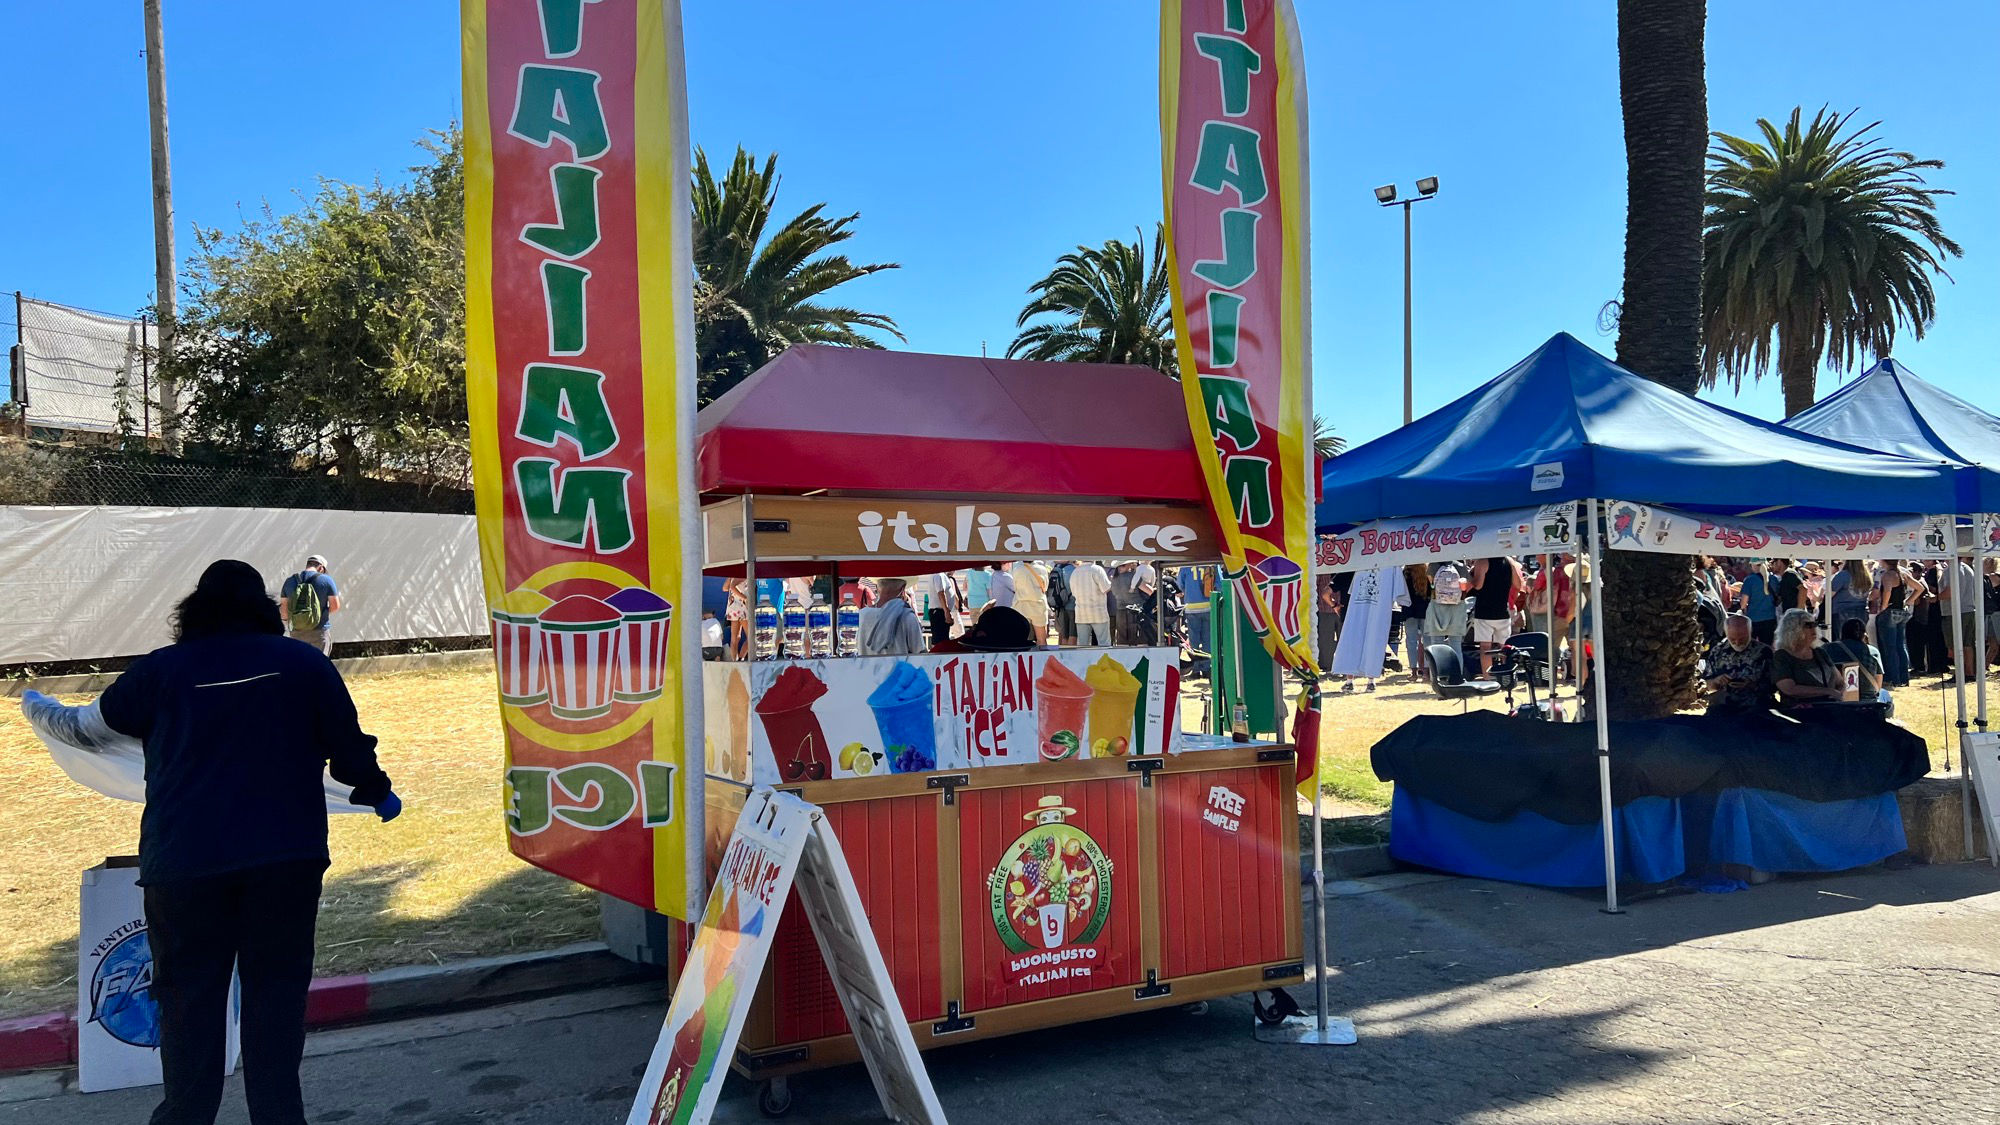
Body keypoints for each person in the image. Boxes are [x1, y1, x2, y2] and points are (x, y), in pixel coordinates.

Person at [94, 560, 399, 1125]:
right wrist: (376, 790)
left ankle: (186, 1116)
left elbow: (107, 718)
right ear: (264, 607)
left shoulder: (162, 670)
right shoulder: (303, 663)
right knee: (276, 999)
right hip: (285, 858)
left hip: (184, 863)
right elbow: (351, 749)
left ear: (193, 612)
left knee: (188, 1003)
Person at [1703, 613, 1775, 714]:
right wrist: (1716, 681)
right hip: (1723, 705)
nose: (1737, 643)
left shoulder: (1764, 652)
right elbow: (1705, 684)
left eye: (1742, 639)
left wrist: (1752, 685)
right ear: (1726, 634)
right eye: (1732, 639)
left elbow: (1774, 686)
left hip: (1755, 707)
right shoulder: (1718, 651)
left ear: (1750, 632)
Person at [1772, 608, 1844, 707]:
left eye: (1814, 624)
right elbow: (1789, 688)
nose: (1814, 629)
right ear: (1793, 629)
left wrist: (1837, 693)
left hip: (1829, 710)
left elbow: (1839, 681)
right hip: (1800, 713)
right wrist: (1828, 691)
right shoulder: (1782, 656)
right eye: (1808, 625)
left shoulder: (1820, 652)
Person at [1468, 555, 1521, 675]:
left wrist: (1470, 579)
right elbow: (1518, 584)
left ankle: (1488, 677)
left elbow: (1478, 585)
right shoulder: (1509, 561)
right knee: (1506, 647)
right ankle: (1507, 675)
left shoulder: (1482, 561)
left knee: (1485, 648)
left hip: (1484, 611)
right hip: (1503, 610)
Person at [1871, 559, 1920, 688]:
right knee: (1901, 646)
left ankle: (1893, 678)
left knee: (1889, 647)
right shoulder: (1903, 573)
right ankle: (1903, 678)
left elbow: (1887, 591)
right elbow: (1920, 588)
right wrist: (1908, 601)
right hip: (1901, 612)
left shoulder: (1888, 575)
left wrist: (1883, 606)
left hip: (1890, 612)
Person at [278, 555, 340, 655]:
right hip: (320, 632)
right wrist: (318, 615)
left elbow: (284, 611)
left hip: (297, 632)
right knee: (320, 666)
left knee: (300, 665)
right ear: (321, 568)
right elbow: (335, 606)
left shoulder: (290, 581)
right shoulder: (327, 580)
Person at [1423, 561, 1470, 679]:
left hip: (1437, 607)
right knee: (1456, 646)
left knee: (1436, 645)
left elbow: (1431, 584)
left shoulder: (1433, 566)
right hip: (1457, 608)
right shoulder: (1460, 566)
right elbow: (1467, 587)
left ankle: (1437, 679)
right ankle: (1457, 678)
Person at [1938, 554, 1981, 675]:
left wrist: (1935, 598)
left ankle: (1961, 674)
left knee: (1955, 646)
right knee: (1967, 644)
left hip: (1954, 612)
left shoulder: (1950, 570)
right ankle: (1969, 673)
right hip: (1969, 610)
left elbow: (1949, 592)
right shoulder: (1967, 568)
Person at [1828, 616, 1886, 703]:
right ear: (1864, 634)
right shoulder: (1873, 651)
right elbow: (1878, 684)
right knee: (1885, 694)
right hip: (1867, 699)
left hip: (1836, 697)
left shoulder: (1828, 648)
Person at [859, 578, 923, 656]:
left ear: (877, 587)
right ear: (902, 590)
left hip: (866, 668)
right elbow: (920, 653)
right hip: (897, 668)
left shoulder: (862, 615)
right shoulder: (907, 616)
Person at [1068, 559, 1113, 647]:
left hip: (1081, 613)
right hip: (1098, 612)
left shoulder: (1075, 572)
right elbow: (1106, 588)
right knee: (1104, 644)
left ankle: (1083, 661)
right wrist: (1111, 581)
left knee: (1082, 645)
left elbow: (1073, 593)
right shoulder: (1097, 569)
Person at [1400, 563, 1433, 680]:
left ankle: (1414, 672)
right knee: (1428, 640)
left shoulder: (1405, 573)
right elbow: (1431, 591)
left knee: (1411, 642)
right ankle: (1427, 672)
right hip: (1425, 609)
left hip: (1409, 610)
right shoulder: (1427, 571)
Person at [1009, 561, 1051, 644]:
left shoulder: (1017, 569)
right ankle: (1042, 657)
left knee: (1021, 638)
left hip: (1021, 605)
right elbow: (1045, 587)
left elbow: (1014, 587)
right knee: (1041, 639)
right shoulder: (1042, 569)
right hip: (1038, 604)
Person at [1738, 561, 1777, 644]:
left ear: (1754, 565)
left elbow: (1743, 604)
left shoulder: (1749, 580)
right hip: (1770, 619)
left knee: (1750, 647)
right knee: (1767, 647)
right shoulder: (1774, 579)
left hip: (1753, 619)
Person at [1829, 559, 1871, 637]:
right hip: (1861, 611)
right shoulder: (1866, 576)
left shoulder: (1843, 575)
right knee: (1858, 638)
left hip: (1841, 611)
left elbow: (1829, 595)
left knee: (1842, 639)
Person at [924, 571, 964, 649]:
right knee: (940, 641)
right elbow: (941, 593)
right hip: (939, 611)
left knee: (942, 639)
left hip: (941, 611)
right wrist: (946, 611)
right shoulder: (938, 575)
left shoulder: (940, 575)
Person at [1181, 565, 1213, 656]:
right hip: (1209, 606)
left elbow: (1180, 584)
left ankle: (1195, 665)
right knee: (1208, 639)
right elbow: (1219, 584)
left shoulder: (1185, 565)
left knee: (1193, 639)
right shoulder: (1212, 564)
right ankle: (1207, 665)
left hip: (1191, 607)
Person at [1315, 573, 1341, 674]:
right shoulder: (1323, 567)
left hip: (1343, 607)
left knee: (1344, 638)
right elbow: (1316, 585)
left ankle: (1344, 666)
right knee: (1325, 639)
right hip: (1324, 608)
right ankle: (1326, 666)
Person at [1047, 562, 1077, 646]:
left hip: (1059, 606)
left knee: (1063, 635)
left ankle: (1062, 654)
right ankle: (1070, 656)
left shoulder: (1057, 569)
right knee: (1072, 634)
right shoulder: (1073, 570)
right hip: (1072, 605)